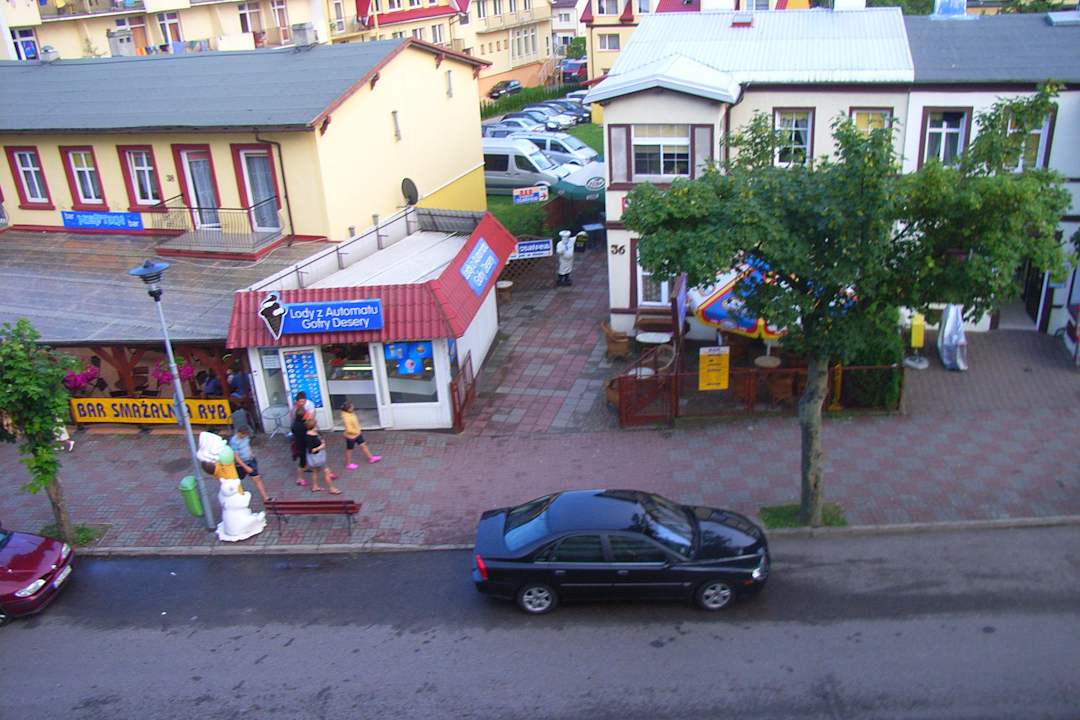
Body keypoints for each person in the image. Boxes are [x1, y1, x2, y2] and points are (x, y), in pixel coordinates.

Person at [229, 426, 270, 503]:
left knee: (257, 478)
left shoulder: (246, 437)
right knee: (236, 480)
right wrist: (245, 467)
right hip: (241, 464)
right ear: (239, 433)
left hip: (250, 460)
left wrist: (251, 453)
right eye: (243, 435)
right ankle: (236, 496)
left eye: (246, 435)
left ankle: (266, 497)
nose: (245, 436)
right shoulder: (234, 441)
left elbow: (247, 445)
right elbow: (236, 456)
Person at [304, 418, 340, 494]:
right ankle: (332, 488)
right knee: (327, 472)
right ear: (313, 426)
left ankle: (315, 486)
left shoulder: (309, 434)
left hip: (314, 459)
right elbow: (311, 450)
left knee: (315, 472)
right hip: (317, 458)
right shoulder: (310, 437)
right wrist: (321, 446)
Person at [340, 402, 381, 469]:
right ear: (348, 409)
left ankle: (371, 458)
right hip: (351, 436)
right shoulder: (346, 418)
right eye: (352, 406)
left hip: (357, 434)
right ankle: (348, 464)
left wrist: (358, 431)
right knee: (349, 450)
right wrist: (357, 432)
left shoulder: (350, 413)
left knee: (363, 445)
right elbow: (349, 429)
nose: (353, 407)